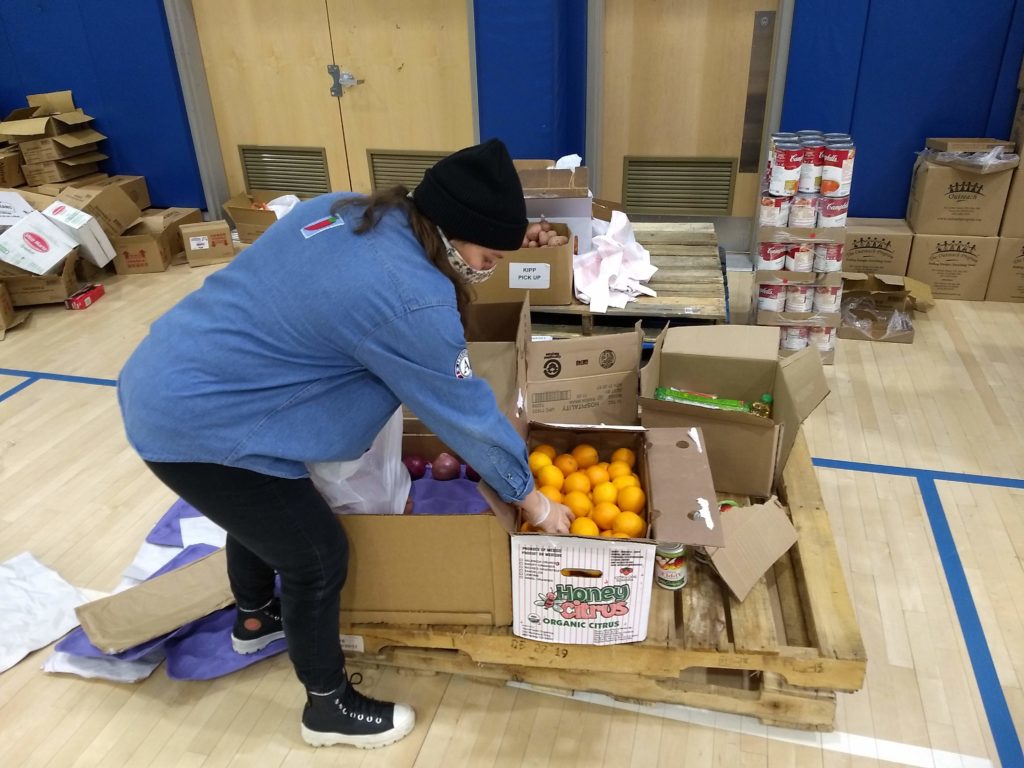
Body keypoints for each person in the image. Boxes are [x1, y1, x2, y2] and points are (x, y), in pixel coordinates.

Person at [117, 138, 574, 749]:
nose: (487, 269)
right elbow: (464, 413)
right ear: (452, 232)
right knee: (315, 555)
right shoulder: (412, 296)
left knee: (265, 506)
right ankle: (327, 707)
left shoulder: (342, 208)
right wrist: (533, 500)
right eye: (487, 256)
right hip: (198, 421)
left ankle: (255, 619)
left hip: (175, 372)